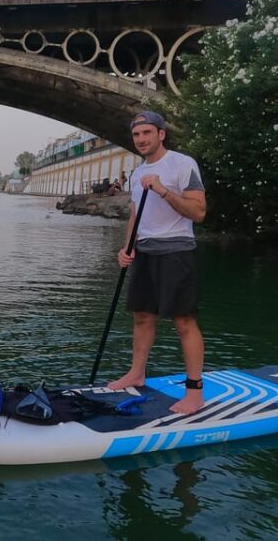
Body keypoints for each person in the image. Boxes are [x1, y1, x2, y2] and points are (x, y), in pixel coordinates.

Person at [108, 111, 207, 415]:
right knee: (141, 316)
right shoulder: (137, 174)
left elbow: (199, 212)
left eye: (147, 133)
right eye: (137, 135)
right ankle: (137, 373)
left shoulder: (182, 164)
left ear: (161, 134)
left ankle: (194, 393)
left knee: (183, 321)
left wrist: (164, 190)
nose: (141, 140)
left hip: (176, 250)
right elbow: (136, 215)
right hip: (146, 251)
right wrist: (126, 248)